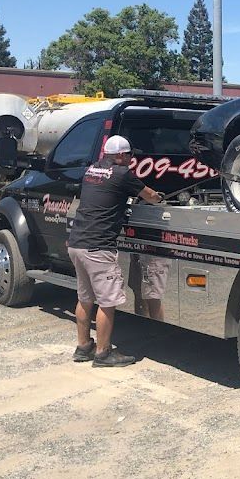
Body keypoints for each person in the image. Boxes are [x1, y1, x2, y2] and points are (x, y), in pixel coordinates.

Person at [67, 135, 163, 367]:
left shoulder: (91, 170)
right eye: (129, 155)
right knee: (107, 302)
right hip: (98, 247)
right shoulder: (122, 174)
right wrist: (160, 199)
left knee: (85, 299)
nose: (131, 159)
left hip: (77, 243)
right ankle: (103, 354)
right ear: (120, 155)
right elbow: (149, 196)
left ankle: (83, 347)